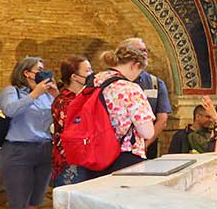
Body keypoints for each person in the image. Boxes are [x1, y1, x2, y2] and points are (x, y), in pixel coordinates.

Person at [0, 56, 58, 209]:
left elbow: (62, 115)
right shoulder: (11, 91)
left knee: (33, 204)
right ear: (26, 73)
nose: (44, 72)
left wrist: (55, 95)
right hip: (18, 151)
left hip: (44, 149)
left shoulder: (46, 95)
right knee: (18, 204)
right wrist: (34, 94)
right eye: (39, 69)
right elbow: (10, 110)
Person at [85, 41, 157, 177]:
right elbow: (147, 132)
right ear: (134, 65)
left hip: (93, 154)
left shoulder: (93, 82)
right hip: (124, 156)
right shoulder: (130, 88)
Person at [120, 37, 171, 160]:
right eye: (139, 50)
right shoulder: (115, 82)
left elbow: (162, 119)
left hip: (147, 145)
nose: (143, 53)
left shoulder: (155, 83)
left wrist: (145, 144)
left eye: (145, 50)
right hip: (117, 146)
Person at [50, 55, 93, 187]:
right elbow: (74, 129)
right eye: (87, 71)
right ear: (74, 76)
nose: (91, 74)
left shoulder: (87, 97)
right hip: (69, 159)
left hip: (88, 157)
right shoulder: (63, 101)